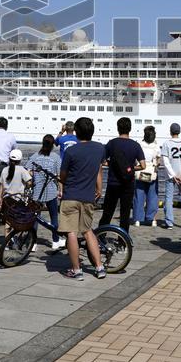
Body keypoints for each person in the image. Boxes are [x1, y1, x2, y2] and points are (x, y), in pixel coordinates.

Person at [58, 117, 107, 280]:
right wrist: (99, 188)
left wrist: (62, 184)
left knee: (71, 232)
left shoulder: (71, 151)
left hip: (71, 195)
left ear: (76, 132)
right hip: (88, 196)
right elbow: (99, 170)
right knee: (87, 231)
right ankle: (100, 267)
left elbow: (63, 175)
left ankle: (76, 270)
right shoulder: (100, 149)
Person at [100, 117, 145, 231]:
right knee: (125, 214)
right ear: (130, 129)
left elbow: (103, 161)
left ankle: (101, 237)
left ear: (117, 128)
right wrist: (130, 168)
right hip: (128, 183)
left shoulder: (112, 143)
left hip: (113, 183)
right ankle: (123, 241)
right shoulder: (135, 145)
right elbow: (143, 165)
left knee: (108, 213)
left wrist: (112, 165)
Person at [26, 135, 64, 251]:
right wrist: (61, 190)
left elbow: (27, 170)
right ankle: (55, 241)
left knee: (35, 217)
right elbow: (59, 176)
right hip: (51, 191)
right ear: (53, 145)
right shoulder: (56, 157)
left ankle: (32, 242)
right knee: (53, 217)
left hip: (37, 191)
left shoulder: (35, 156)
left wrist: (34, 178)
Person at [160, 123, 181, 229]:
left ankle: (169, 222)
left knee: (168, 198)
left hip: (170, 175)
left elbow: (165, 161)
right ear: (179, 131)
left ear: (170, 131)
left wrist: (172, 175)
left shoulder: (166, 143)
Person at [0, 149, 33, 230]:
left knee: (8, 222)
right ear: (20, 160)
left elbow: (1, 185)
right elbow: (29, 183)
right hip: (18, 199)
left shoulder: (5, 169)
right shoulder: (22, 170)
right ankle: (13, 239)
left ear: (9, 159)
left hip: (6, 199)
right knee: (17, 221)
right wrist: (30, 174)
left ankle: (7, 241)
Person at [133, 125, 161, 226]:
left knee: (139, 195)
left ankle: (137, 219)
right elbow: (158, 160)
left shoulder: (139, 144)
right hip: (152, 172)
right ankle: (151, 218)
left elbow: (135, 158)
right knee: (152, 196)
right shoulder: (156, 146)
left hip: (140, 171)